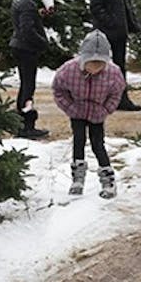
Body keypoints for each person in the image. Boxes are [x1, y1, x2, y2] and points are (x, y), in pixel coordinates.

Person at [52, 29, 126, 199]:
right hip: (76, 112)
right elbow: (58, 90)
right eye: (91, 64)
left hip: (97, 114)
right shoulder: (68, 70)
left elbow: (117, 93)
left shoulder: (113, 74)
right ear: (83, 59)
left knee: (97, 143)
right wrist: (70, 108)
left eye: (99, 65)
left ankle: (108, 180)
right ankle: (77, 179)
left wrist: (106, 109)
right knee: (78, 140)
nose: (95, 69)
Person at [90, 0, 141, 111]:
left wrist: (131, 23)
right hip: (107, 32)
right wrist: (111, 22)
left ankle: (121, 98)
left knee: (120, 66)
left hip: (120, 32)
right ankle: (100, 98)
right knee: (103, 66)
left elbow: (126, 5)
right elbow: (96, 7)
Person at [9, 0, 50, 139]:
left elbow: (24, 21)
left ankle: (22, 123)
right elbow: (27, 30)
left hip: (20, 46)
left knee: (26, 84)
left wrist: (39, 14)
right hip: (26, 49)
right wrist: (43, 43)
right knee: (28, 87)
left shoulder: (22, 0)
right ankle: (26, 125)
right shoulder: (27, 3)